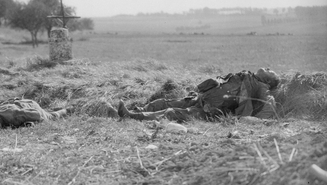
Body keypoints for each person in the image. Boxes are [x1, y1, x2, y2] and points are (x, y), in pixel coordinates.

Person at [117, 68, 280, 122]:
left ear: (268, 81)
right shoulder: (249, 76)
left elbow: (265, 110)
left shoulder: (261, 88)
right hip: (200, 100)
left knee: (170, 113)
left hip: (211, 112)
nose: (266, 67)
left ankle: (132, 116)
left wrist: (237, 120)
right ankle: (137, 110)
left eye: (270, 71)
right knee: (163, 102)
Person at [0, 98, 68, 133]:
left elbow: (38, 115)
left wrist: (25, 123)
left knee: (52, 116)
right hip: (13, 104)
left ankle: (67, 109)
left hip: (29, 105)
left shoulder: (14, 116)